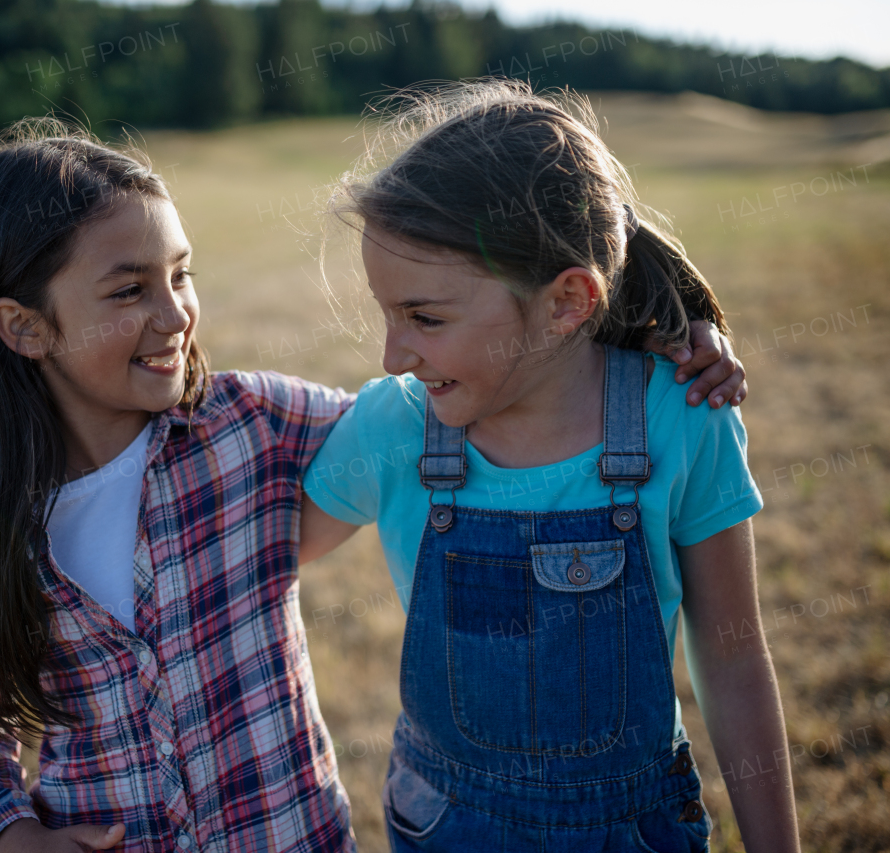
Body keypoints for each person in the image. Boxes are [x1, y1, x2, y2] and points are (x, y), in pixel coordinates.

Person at [0, 115, 747, 853]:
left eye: (181, 274)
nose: (174, 316)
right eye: (128, 291)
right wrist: (8, 829)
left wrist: (661, 328)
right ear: (23, 326)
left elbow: (455, 393)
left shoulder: (248, 426)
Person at [300, 81, 797, 853]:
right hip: (445, 827)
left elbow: (732, 653)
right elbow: (262, 554)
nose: (393, 355)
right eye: (387, 313)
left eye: (424, 317)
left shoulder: (681, 414)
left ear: (568, 302)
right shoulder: (397, 422)